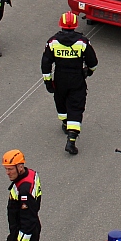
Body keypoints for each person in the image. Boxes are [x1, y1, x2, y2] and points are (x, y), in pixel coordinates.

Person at [41, 12, 97, 156]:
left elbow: (45, 64)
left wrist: (48, 81)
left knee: (60, 101)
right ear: (75, 26)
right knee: (76, 106)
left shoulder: (52, 42)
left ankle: (65, 123)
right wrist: (88, 71)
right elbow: (93, 62)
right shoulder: (82, 42)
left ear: (61, 25)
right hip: (76, 78)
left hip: (60, 78)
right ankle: (71, 141)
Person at [2, 150, 43, 241]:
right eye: (6, 169)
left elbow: (27, 221)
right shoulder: (31, 174)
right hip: (33, 230)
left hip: (22, 235)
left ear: (20, 167)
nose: (7, 173)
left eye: (10, 169)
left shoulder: (24, 190)